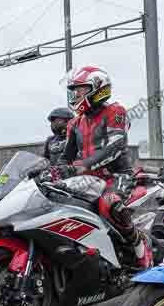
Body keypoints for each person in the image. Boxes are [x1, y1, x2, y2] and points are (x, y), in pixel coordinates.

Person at [48, 65, 153, 270]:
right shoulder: (74, 124)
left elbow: (115, 147)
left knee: (109, 203)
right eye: (74, 90)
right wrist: (54, 171)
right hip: (87, 178)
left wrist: (79, 167)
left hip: (116, 175)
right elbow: (65, 157)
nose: (75, 94)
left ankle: (140, 247)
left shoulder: (115, 111)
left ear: (98, 88)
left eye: (80, 89)